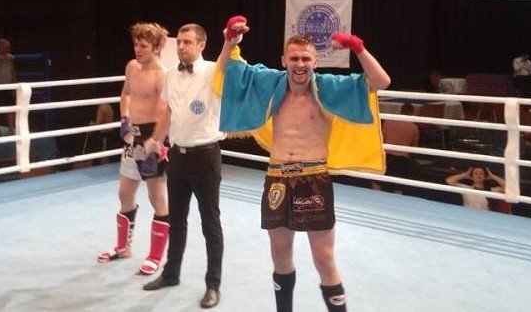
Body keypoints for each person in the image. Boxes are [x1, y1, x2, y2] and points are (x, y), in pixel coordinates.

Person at [217, 16, 390, 312]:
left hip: (314, 178)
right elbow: (230, 70)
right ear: (283, 60)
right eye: (294, 58)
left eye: (306, 59)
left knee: (324, 258)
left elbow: (380, 82)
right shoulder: (270, 84)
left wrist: (358, 48)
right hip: (277, 178)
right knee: (280, 255)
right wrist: (230, 41)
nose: (300, 64)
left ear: (315, 62)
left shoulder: (328, 88)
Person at [142, 24, 225, 309]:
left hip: (206, 155)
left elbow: (227, 57)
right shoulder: (170, 74)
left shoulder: (213, 71)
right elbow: (167, 110)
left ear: (202, 45)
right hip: (177, 155)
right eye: (179, 42)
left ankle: (213, 285)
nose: (181, 47)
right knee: (176, 219)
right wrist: (155, 139)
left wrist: (231, 39)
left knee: (210, 222)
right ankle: (171, 274)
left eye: (188, 42)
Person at [96, 23, 171, 276]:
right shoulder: (131, 66)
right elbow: (126, 93)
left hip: (152, 137)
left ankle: (156, 256)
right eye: (136, 44)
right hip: (132, 137)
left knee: (157, 198)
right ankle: (123, 246)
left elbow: (165, 112)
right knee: (124, 193)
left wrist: (156, 143)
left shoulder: (162, 74)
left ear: (157, 48)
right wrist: (125, 118)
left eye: (144, 46)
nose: (138, 49)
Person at [380, 103, 419, 193]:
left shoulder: (388, 122)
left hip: (386, 155)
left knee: (379, 182)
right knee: (399, 186)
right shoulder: (414, 128)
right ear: (412, 113)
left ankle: (375, 197)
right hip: (401, 159)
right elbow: (414, 147)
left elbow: (382, 138)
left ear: (401, 111)